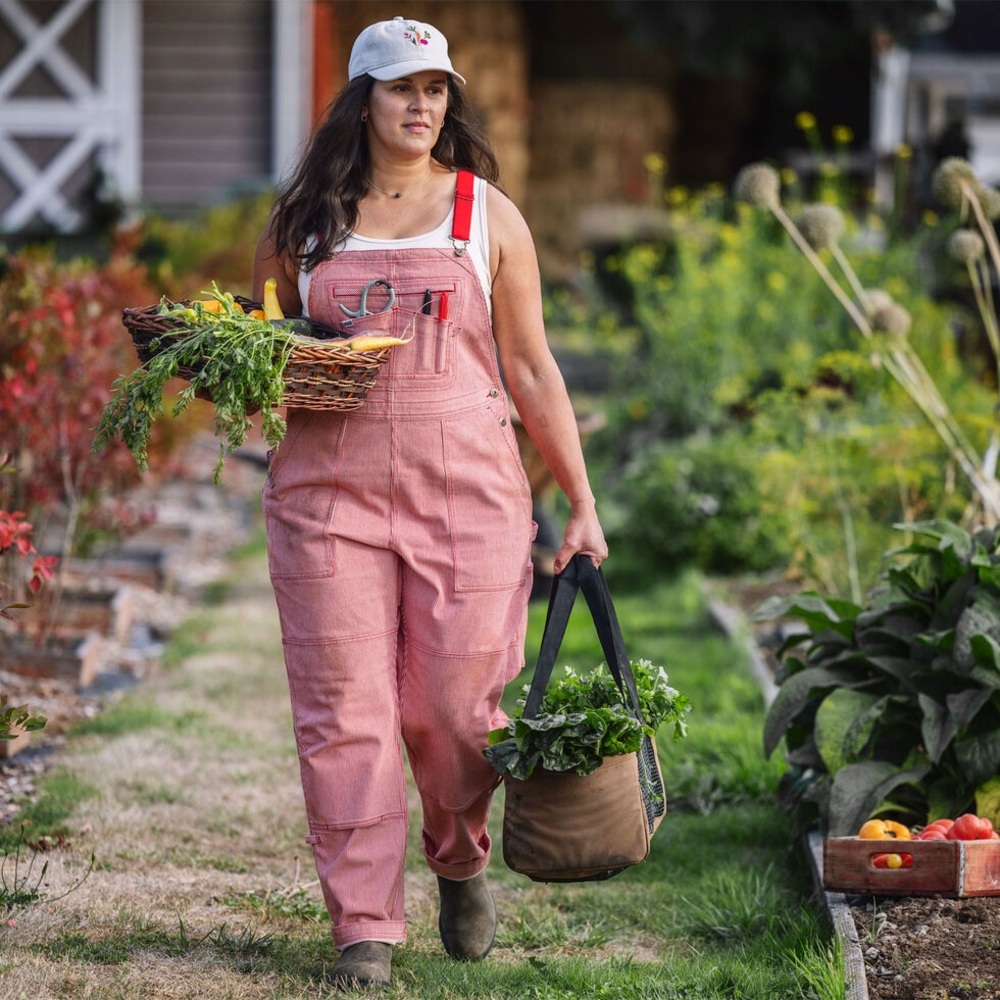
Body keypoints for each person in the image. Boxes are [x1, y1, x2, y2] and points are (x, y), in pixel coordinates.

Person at [252, 15, 607, 990]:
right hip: (327, 495)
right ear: (362, 100)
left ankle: (459, 857)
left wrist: (580, 500)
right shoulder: (302, 224)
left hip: (470, 496)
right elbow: (266, 347)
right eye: (403, 87)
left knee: (457, 712)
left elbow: (530, 367)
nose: (422, 106)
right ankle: (364, 926)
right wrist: (241, 372)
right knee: (345, 712)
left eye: (436, 89)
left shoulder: (488, 215)